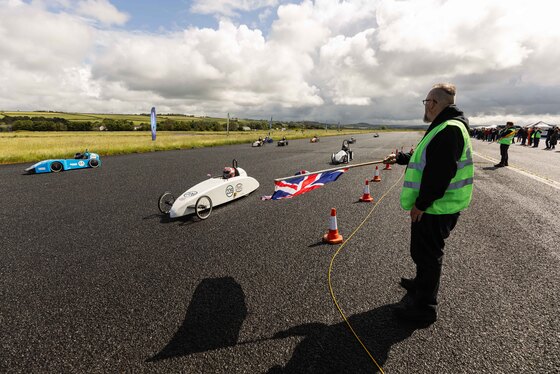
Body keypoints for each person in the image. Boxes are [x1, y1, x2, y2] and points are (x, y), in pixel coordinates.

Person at [383, 83, 474, 324]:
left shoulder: (448, 129)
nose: (425, 106)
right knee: (422, 252)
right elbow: (426, 158)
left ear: (433, 103)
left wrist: (421, 204)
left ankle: (424, 308)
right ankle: (420, 285)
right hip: (437, 206)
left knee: (428, 254)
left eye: (426, 102)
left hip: (437, 207)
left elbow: (440, 173)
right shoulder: (444, 126)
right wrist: (402, 157)